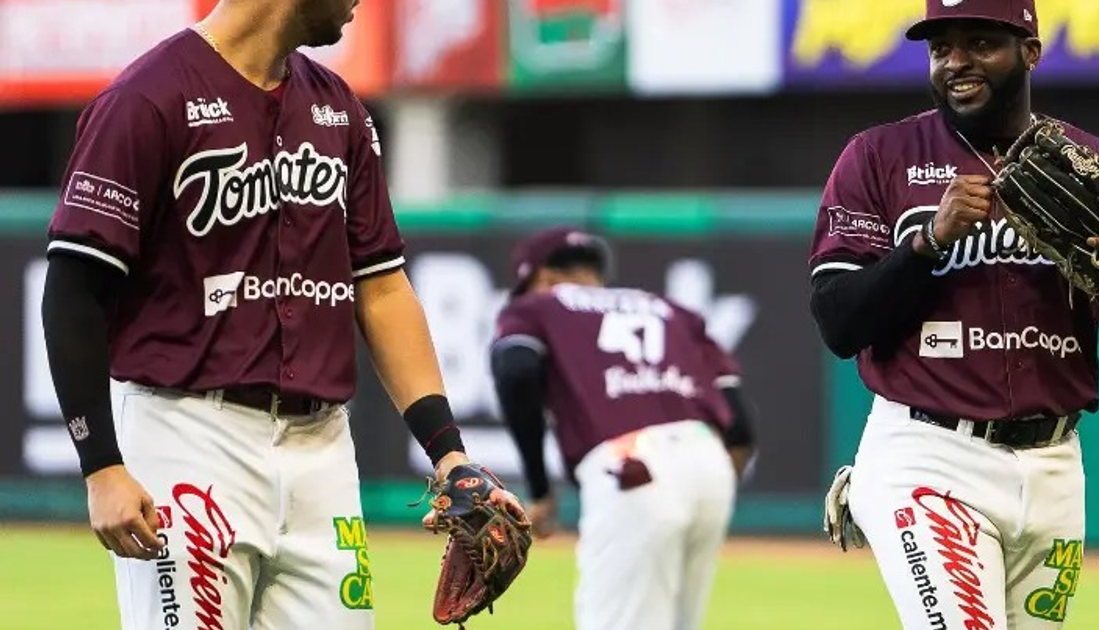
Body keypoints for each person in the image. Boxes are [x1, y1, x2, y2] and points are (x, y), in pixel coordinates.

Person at [39, 1, 524, 629]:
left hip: (321, 448)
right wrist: (101, 464)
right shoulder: (146, 99)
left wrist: (448, 454)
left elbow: (381, 289)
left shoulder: (338, 107)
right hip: (188, 434)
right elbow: (74, 288)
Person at [808, 1, 1099, 628]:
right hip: (928, 455)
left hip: (1055, 465)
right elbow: (837, 321)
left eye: (980, 43)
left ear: (1029, 51)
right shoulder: (878, 156)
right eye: (941, 47)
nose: (956, 62)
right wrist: (928, 241)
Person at [489, 226, 757, 630]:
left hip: (632, 465)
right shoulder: (671, 310)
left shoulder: (537, 306)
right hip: (709, 461)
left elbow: (517, 371)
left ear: (540, 278)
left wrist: (540, 489)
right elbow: (740, 427)